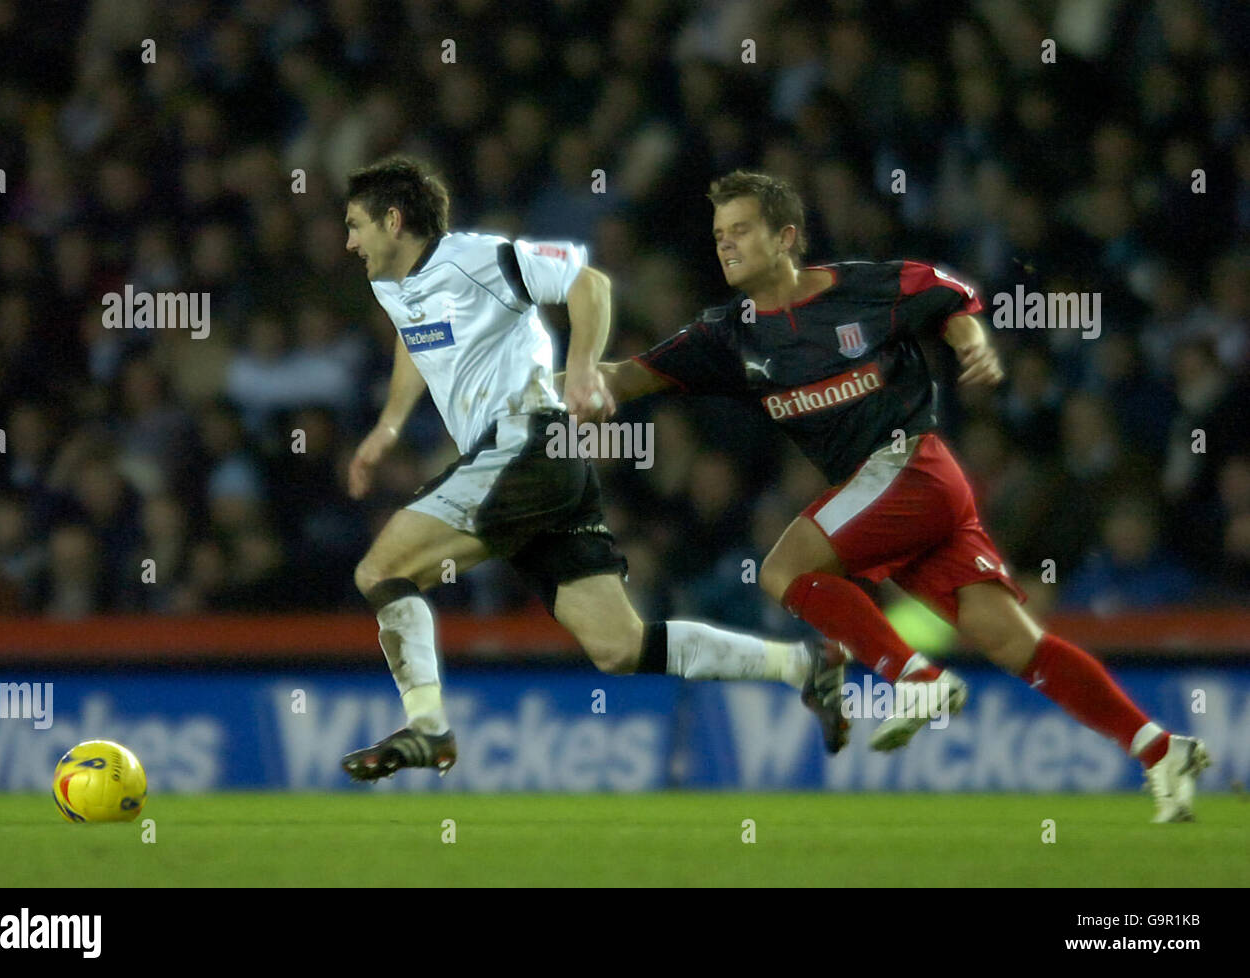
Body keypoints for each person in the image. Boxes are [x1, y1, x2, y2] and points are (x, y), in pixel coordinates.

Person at [590, 170, 1210, 822]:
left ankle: (914, 678)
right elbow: (630, 378)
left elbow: (953, 297)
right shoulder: (728, 337)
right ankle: (1160, 748)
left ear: (787, 236)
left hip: (911, 465)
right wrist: (551, 385)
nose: (727, 245)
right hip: (897, 497)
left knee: (782, 568)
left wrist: (974, 347)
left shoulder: (863, 287)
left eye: (741, 229)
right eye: (719, 235)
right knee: (1011, 642)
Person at [339, 157, 848, 782]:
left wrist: (581, 367)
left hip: (524, 444)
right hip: (545, 470)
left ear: (394, 220)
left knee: (382, 568)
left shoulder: (475, 258)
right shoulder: (392, 287)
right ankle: (806, 664)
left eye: (356, 225)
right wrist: (389, 427)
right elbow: (415, 341)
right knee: (619, 645)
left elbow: (590, 286)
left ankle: (428, 729)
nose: (349, 241)